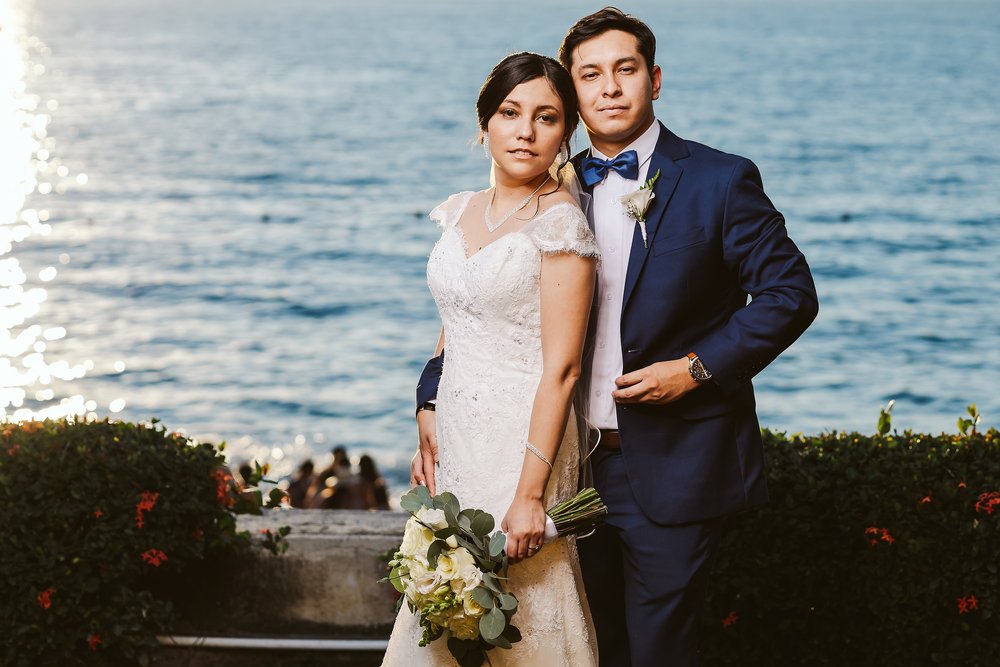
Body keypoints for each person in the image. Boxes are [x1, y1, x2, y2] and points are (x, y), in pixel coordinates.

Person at [417, 8, 819, 666]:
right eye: (590, 75)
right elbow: (477, 305)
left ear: (654, 79)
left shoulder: (720, 181)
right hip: (563, 464)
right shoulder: (550, 184)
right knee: (580, 641)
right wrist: (428, 397)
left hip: (673, 461)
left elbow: (789, 294)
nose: (609, 87)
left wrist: (693, 367)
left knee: (657, 648)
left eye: (624, 70)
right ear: (572, 94)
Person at [384, 52, 600, 665]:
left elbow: (563, 369)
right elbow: (455, 323)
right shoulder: (460, 210)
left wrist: (531, 492)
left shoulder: (561, 225)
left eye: (547, 117)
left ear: (565, 134)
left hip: (521, 438)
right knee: (444, 596)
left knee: (526, 599)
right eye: (510, 113)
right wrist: (427, 407)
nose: (525, 131)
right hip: (457, 434)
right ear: (485, 123)